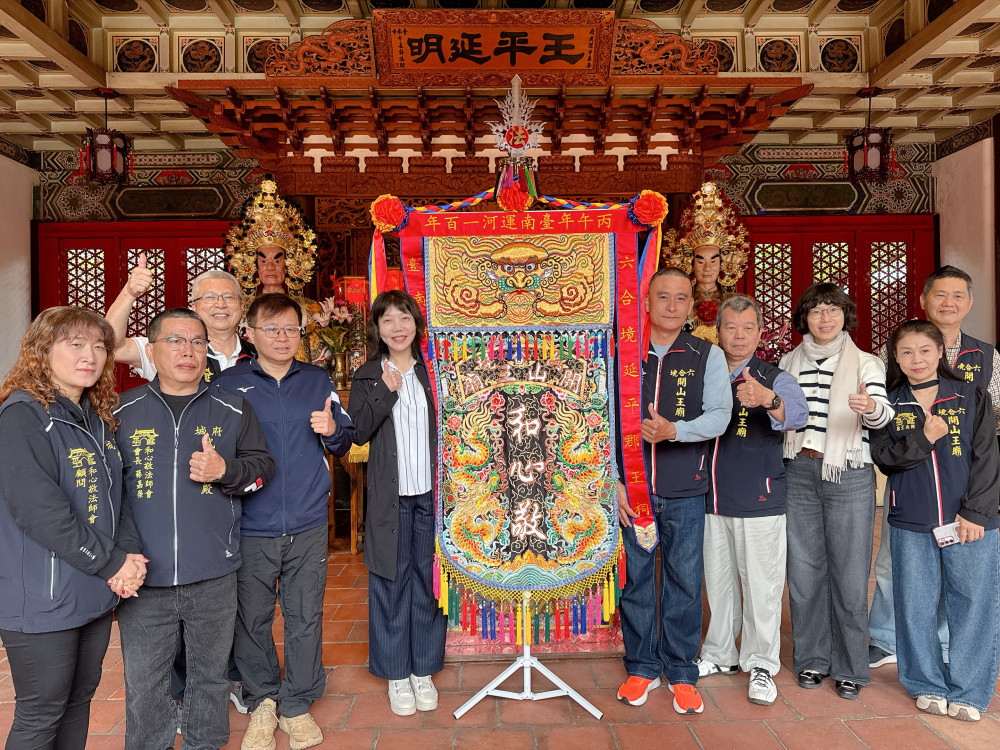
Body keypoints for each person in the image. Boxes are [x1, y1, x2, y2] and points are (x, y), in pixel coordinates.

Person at [114, 308, 275, 750]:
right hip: (144, 577)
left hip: (214, 572)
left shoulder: (232, 408)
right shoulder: (121, 411)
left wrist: (227, 470)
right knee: (145, 683)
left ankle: (207, 742)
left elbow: (262, 468)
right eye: (176, 341)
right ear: (151, 350)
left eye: (198, 342)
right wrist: (122, 555)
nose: (188, 351)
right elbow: (111, 496)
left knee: (210, 677)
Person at [0, 307, 147, 750]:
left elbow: (118, 498)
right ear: (42, 351)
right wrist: (112, 562)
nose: (91, 355)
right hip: (42, 598)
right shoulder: (23, 415)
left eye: (100, 346)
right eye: (75, 344)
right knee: (41, 714)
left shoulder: (93, 417)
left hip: (92, 591)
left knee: (79, 700)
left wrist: (128, 558)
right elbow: (40, 512)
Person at [217, 294, 355, 750]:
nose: (282, 337)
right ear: (249, 333)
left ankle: (296, 702)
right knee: (251, 619)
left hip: (308, 521)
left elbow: (346, 439)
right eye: (271, 329)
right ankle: (262, 700)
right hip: (249, 523)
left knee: (304, 616)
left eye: (291, 329)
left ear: (301, 334)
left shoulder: (318, 381)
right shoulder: (228, 384)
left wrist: (333, 431)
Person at [868, 265, 1000, 669]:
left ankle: (945, 645)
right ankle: (887, 638)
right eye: (940, 295)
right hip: (913, 479)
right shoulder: (892, 352)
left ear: (969, 303)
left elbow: (993, 424)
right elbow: (879, 413)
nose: (948, 302)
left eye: (958, 295)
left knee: (961, 570)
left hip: (963, 474)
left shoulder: (987, 355)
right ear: (924, 301)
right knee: (898, 564)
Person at [615, 266, 732, 714]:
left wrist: (673, 431)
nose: (670, 305)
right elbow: (600, 421)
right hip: (635, 493)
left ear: (690, 306)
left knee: (684, 580)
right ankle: (642, 666)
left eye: (680, 298)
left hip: (685, 489)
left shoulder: (707, 355)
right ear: (645, 302)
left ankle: (682, 671)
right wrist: (615, 483)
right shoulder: (624, 355)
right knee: (637, 579)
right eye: (662, 296)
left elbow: (720, 415)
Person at [779, 283, 893, 700]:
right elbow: (781, 419)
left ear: (846, 316)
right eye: (815, 311)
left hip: (848, 473)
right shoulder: (788, 362)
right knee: (805, 571)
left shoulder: (865, 363)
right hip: (799, 471)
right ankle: (812, 659)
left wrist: (871, 409)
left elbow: (882, 411)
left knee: (848, 572)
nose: (825, 318)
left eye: (833, 310)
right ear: (804, 318)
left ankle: (850, 667)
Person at [695, 296, 807, 706]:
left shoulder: (773, 376)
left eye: (747, 328)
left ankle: (761, 664)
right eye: (730, 327)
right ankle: (720, 654)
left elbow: (797, 415)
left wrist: (769, 400)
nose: (738, 336)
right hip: (710, 496)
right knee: (719, 582)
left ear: (760, 333)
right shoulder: (705, 374)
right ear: (718, 331)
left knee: (762, 585)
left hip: (760, 498)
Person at [347, 290, 446, 717]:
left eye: (404, 318)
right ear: (377, 329)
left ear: (416, 324)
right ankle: (395, 674)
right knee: (390, 580)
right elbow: (357, 432)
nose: (397, 327)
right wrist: (385, 391)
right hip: (391, 497)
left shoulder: (435, 373)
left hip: (431, 495)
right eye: (387, 320)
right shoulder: (368, 375)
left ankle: (422, 669)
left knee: (426, 580)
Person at [226, 178, 342, 370]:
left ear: (290, 264)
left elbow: (323, 358)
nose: (269, 267)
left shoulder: (311, 310)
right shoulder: (240, 313)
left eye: (277, 260)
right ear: (253, 265)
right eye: (263, 260)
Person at [107, 262, 256, 384]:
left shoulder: (259, 355)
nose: (220, 304)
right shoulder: (169, 349)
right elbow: (113, 347)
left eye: (229, 297)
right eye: (210, 298)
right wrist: (129, 293)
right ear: (194, 307)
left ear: (242, 305)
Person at [663, 182, 750, 343]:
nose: (707, 268)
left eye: (713, 261)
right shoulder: (676, 303)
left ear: (723, 262)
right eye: (700, 261)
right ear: (690, 262)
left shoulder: (739, 302)